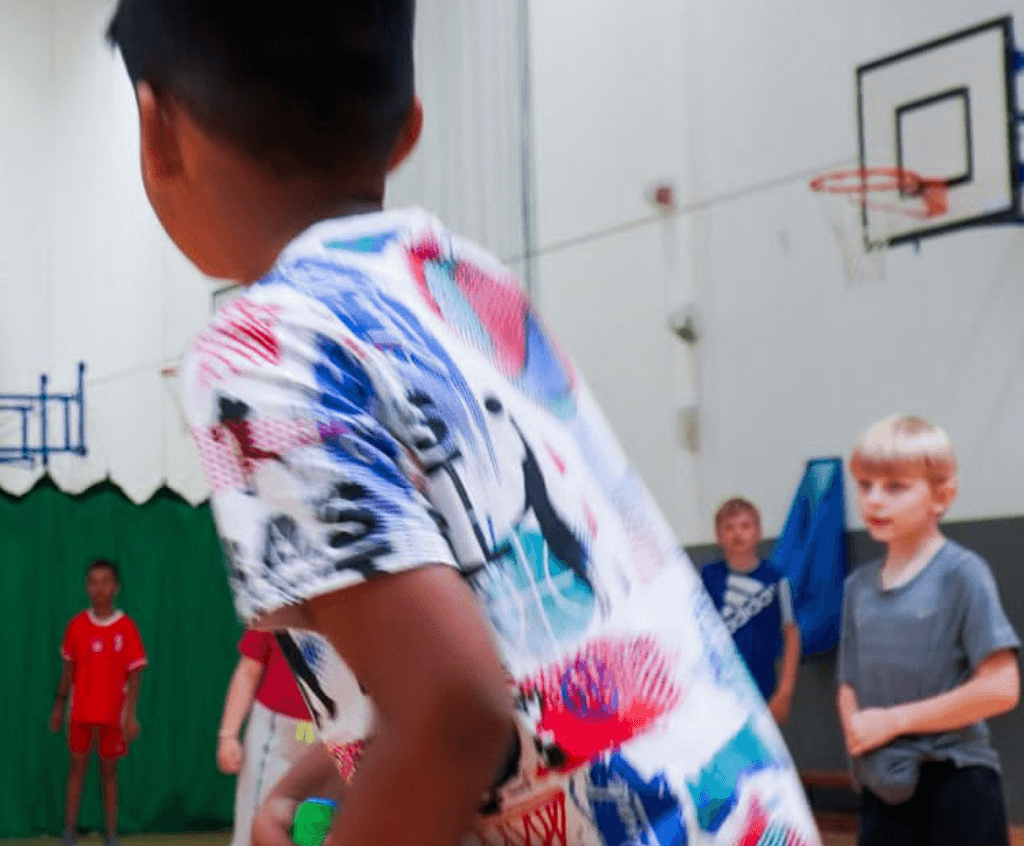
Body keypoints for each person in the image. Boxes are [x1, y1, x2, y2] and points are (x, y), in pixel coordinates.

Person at [109, 1, 820, 843]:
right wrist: (331, 784)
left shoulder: (260, 347)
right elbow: (512, 667)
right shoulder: (461, 283)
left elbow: (453, 714)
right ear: (408, 128)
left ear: (156, 132)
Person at [838, 415, 1019, 846]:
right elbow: (848, 683)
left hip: (956, 782)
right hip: (884, 787)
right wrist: (859, 736)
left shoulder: (963, 574)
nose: (874, 500)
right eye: (865, 485)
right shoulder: (857, 588)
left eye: (895, 487)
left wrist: (893, 721)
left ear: (942, 496)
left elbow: (1001, 688)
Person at [49, 559, 146, 846]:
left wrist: (131, 715)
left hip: (112, 716)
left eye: (105, 582)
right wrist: (58, 706)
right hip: (80, 713)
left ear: (116, 587)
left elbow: (135, 675)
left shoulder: (126, 627)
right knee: (75, 771)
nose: (99, 588)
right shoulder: (77, 625)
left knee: (109, 775)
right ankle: (69, 832)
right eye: (93, 582)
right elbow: (68, 671)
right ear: (86, 586)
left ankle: (111, 834)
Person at [700, 497, 800, 723]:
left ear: (759, 532)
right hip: (717, 690)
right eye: (729, 527)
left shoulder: (776, 580)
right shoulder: (708, 577)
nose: (737, 533)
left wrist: (785, 692)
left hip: (762, 689)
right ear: (718, 536)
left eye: (745, 526)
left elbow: (792, 635)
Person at [217, 630, 312, 846]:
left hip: (328, 734)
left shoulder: (349, 615)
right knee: (254, 824)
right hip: (275, 731)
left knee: (315, 827)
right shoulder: (274, 612)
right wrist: (228, 735)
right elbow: (248, 670)